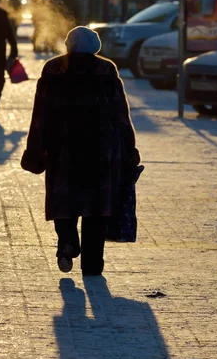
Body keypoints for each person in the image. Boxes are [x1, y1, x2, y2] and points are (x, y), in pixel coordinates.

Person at [21, 26, 140, 276]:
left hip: (62, 148)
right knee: (96, 208)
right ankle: (92, 265)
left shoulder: (53, 70)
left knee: (64, 201)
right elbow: (121, 115)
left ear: (69, 45)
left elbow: (40, 114)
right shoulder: (106, 70)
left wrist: (35, 149)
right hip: (100, 151)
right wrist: (130, 148)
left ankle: (66, 243)